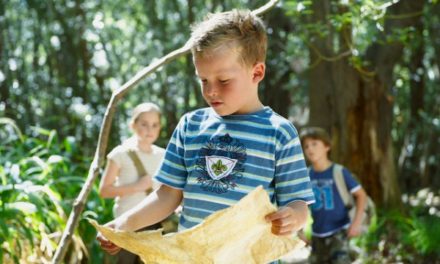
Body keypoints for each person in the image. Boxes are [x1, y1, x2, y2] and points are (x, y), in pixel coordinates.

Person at [97, 9, 315, 261]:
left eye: (223, 80)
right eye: (203, 80)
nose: (211, 91)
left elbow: (298, 203)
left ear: (256, 73)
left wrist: (293, 217)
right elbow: (167, 196)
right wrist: (124, 224)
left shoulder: (279, 132)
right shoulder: (191, 125)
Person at [98, 102, 165, 263]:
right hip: (126, 224)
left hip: (154, 224)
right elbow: (104, 190)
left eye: (155, 125)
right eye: (144, 124)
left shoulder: (163, 155)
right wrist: (136, 187)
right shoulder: (120, 153)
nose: (150, 129)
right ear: (133, 125)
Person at [299, 127, 367, 264]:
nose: (310, 149)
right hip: (317, 235)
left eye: (314, 144)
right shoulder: (306, 175)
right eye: (306, 146)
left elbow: (361, 195)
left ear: (327, 146)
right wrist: (299, 231)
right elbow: (301, 204)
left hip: (339, 232)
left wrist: (357, 223)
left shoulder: (339, 172)